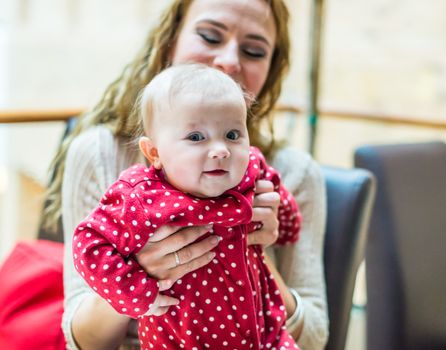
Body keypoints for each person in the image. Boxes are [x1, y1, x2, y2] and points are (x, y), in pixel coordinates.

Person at [41, 0, 328, 349]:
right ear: (170, 40)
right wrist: (143, 276)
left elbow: (314, 337)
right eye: (209, 36)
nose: (229, 61)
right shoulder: (103, 157)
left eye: (254, 50)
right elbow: (81, 342)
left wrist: (254, 251)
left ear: (273, 67)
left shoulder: (290, 172)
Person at [73, 64, 301, 349]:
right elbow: (88, 245)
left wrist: (286, 226)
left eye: (232, 135)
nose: (221, 150)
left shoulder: (251, 168)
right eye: (196, 137)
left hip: (267, 337)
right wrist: (136, 292)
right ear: (154, 153)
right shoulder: (142, 197)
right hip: (178, 342)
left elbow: (280, 195)